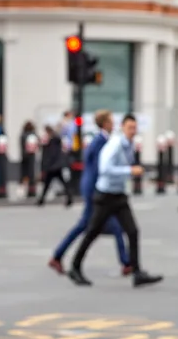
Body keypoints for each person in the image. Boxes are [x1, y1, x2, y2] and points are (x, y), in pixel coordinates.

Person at [69, 114, 161, 287]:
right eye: (129, 128)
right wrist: (129, 171)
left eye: (135, 128)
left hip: (119, 195)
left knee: (132, 231)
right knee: (92, 232)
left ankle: (137, 272)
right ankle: (75, 266)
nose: (133, 131)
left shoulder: (129, 145)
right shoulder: (116, 144)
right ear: (122, 128)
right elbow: (105, 168)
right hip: (105, 195)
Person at [50, 110, 130, 275]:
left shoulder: (101, 140)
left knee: (108, 226)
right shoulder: (100, 142)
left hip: (95, 189)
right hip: (95, 191)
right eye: (110, 120)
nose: (113, 123)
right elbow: (96, 169)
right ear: (105, 123)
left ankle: (126, 262)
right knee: (91, 226)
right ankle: (59, 256)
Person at [37, 125, 73, 206]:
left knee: (48, 184)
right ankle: (69, 198)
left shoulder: (52, 142)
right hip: (56, 166)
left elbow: (51, 155)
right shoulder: (54, 141)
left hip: (53, 167)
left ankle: (41, 200)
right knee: (60, 183)